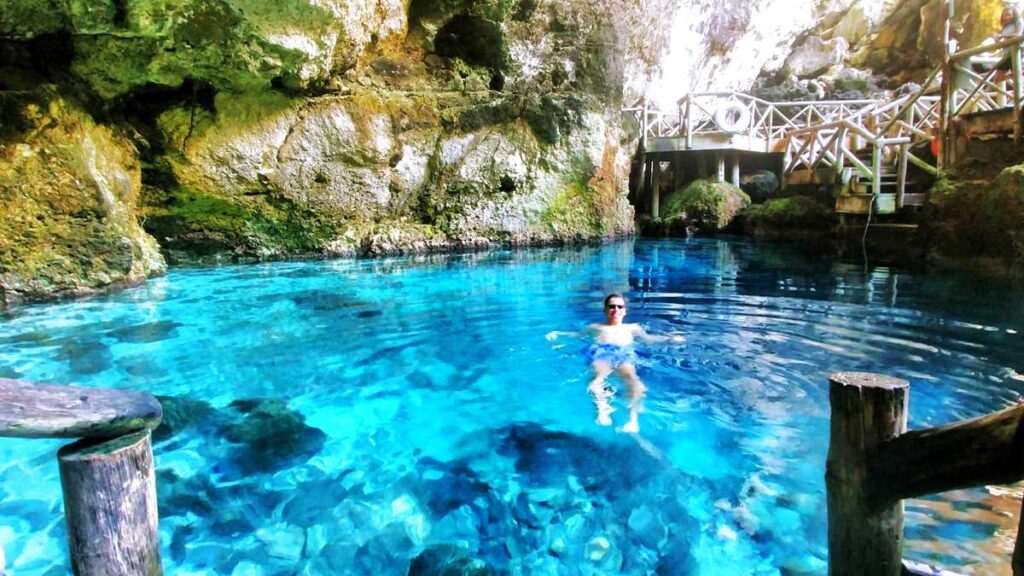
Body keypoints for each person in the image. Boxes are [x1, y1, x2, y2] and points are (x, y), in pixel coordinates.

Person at [546, 293, 682, 433]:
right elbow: (577, 335)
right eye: (612, 306)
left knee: (635, 384)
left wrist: (669, 338)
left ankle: (632, 421)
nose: (616, 309)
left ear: (624, 310)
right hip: (601, 353)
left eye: (619, 306)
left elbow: (649, 339)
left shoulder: (632, 328)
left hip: (623, 354)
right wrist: (557, 333)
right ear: (605, 310)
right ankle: (602, 410)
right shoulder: (596, 327)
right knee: (597, 381)